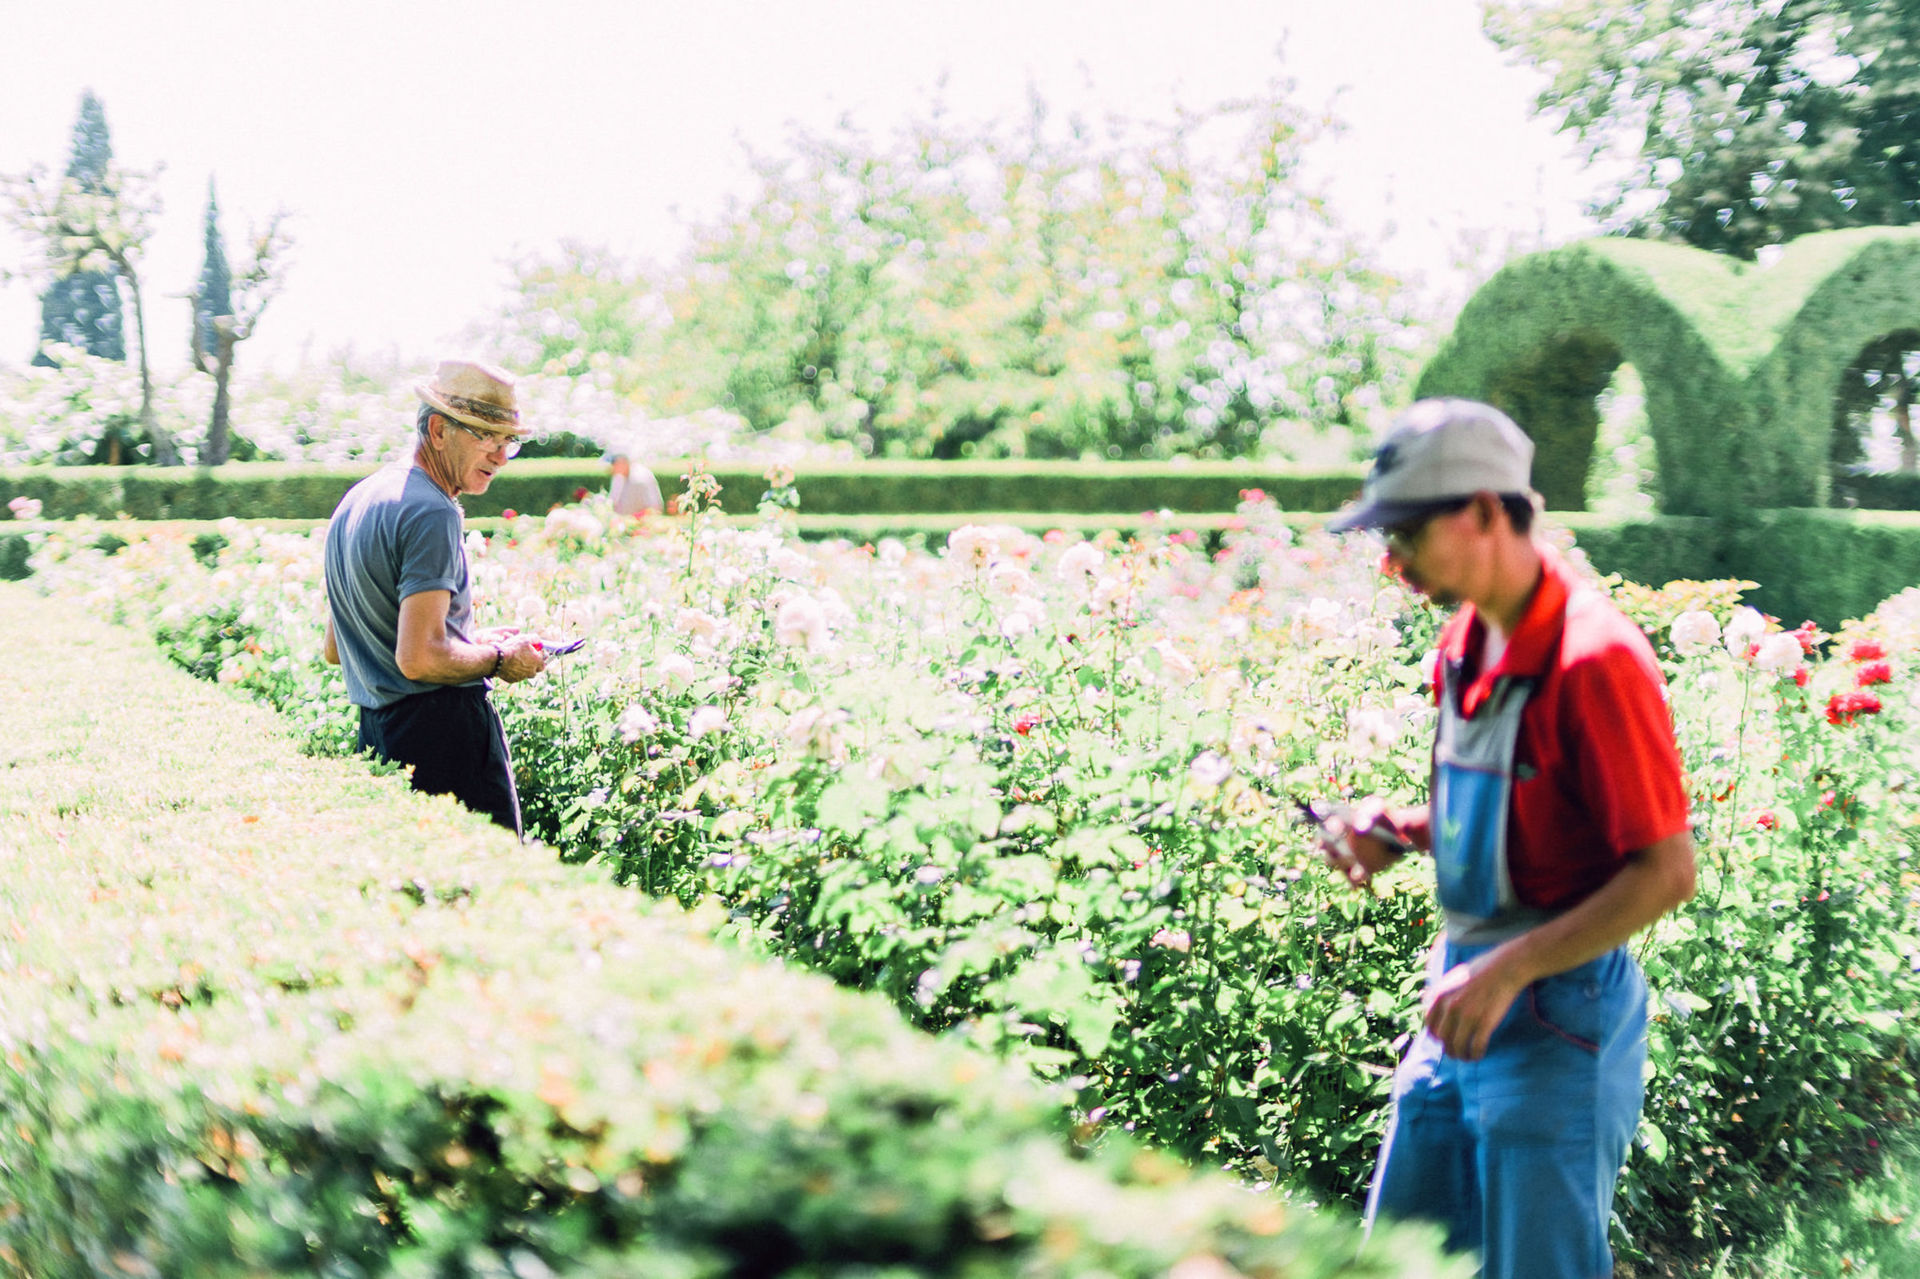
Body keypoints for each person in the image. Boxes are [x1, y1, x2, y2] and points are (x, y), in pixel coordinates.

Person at [1318, 399, 1696, 1279]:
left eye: (1408, 530)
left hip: (1557, 1018)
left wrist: (1512, 967)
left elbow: (1666, 872)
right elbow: (1500, 814)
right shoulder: (1464, 642)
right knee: (1403, 1259)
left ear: (1487, 511)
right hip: (1462, 1001)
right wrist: (1398, 831)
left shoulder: (1595, 659)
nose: (1392, 558)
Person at [322, 358, 548, 835]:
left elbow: (336, 646)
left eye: (508, 440)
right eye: (485, 435)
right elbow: (419, 659)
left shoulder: (359, 499)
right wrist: (500, 658)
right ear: (440, 430)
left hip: (378, 735)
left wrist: (466, 638)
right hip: (443, 737)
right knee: (494, 890)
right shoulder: (432, 511)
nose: (501, 455)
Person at [604, 448, 664, 516]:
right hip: (625, 520)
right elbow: (613, 502)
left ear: (621, 463)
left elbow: (654, 507)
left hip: (643, 520)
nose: (611, 470)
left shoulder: (640, 478)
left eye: (614, 465)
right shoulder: (619, 476)